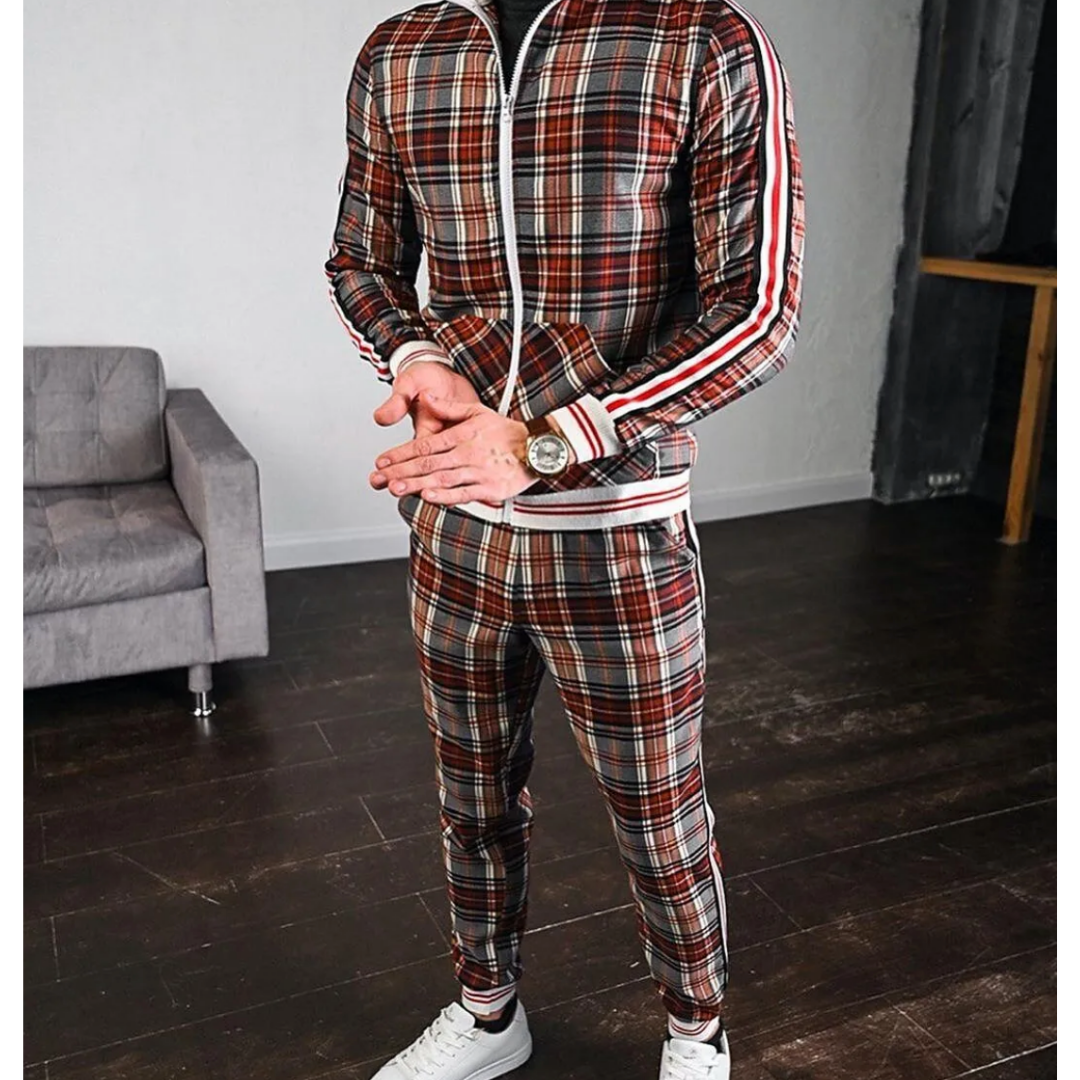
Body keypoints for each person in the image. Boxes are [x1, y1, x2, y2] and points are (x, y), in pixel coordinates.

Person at [326, 0, 804, 1074]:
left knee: (657, 812)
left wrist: (547, 443)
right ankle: (489, 1015)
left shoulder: (701, 38)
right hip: (454, 526)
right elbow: (359, 259)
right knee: (470, 797)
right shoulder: (403, 49)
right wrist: (415, 358)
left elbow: (757, 309)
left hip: (617, 535)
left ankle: (697, 1032)